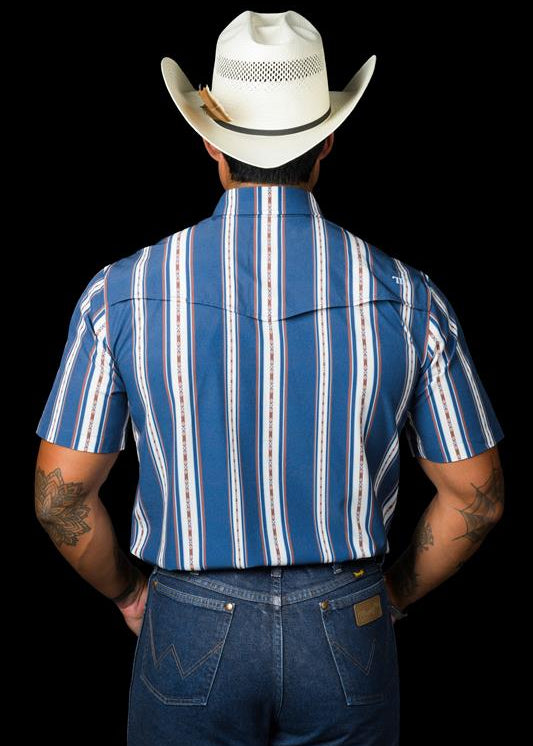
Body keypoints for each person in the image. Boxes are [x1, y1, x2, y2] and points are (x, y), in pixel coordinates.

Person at [34, 10, 505, 746]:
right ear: (327, 141)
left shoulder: (121, 293)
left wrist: (129, 594)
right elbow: (476, 494)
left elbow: (58, 497)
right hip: (346, 622)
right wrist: (390, 596)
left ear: (209, 141)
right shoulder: (408, 297)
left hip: (188, 621)